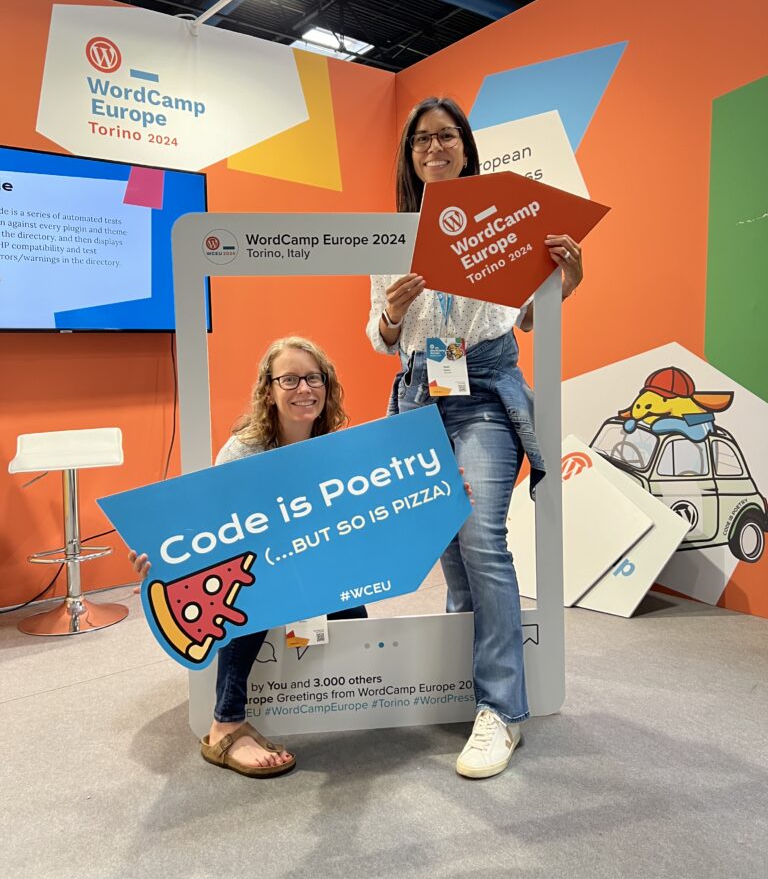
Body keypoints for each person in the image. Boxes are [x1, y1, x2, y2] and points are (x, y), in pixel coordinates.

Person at [366, 96, 584, 779]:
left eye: (446, 136)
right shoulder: (390, 235)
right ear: (410, 156)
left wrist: (565, 281)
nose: (434, 147)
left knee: (482, 536)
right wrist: (391, 315)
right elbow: (378, 339)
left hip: (486, 394)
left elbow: (525, 320)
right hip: (418, 395)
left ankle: (502, 710)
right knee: (448, 545)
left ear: (466, 147)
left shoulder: (504, 226)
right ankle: (472, 667)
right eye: (422, 139)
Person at [129, 336, 367, 778]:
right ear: (269, 391)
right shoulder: (244, 450)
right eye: (290, 379)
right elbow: (209, 527)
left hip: (314, 565)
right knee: (253, 600)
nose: (304, 389)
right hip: (259, 573)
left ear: (327, 386)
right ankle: (226, 725)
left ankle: (333, 700)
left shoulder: (334, 447)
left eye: (313, 378)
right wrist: (159, 557)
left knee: (356, 619)